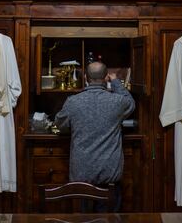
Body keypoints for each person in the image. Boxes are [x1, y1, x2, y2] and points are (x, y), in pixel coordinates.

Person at [54, 61, 135, 212]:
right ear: (105, 78)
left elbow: (60, 124)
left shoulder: (73, 102)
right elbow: (131, 103)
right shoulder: (117, 102)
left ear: (85, 77)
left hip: (82, 174)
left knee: (83, 218)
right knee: (108, 219)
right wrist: (116, 81)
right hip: (109, 173)